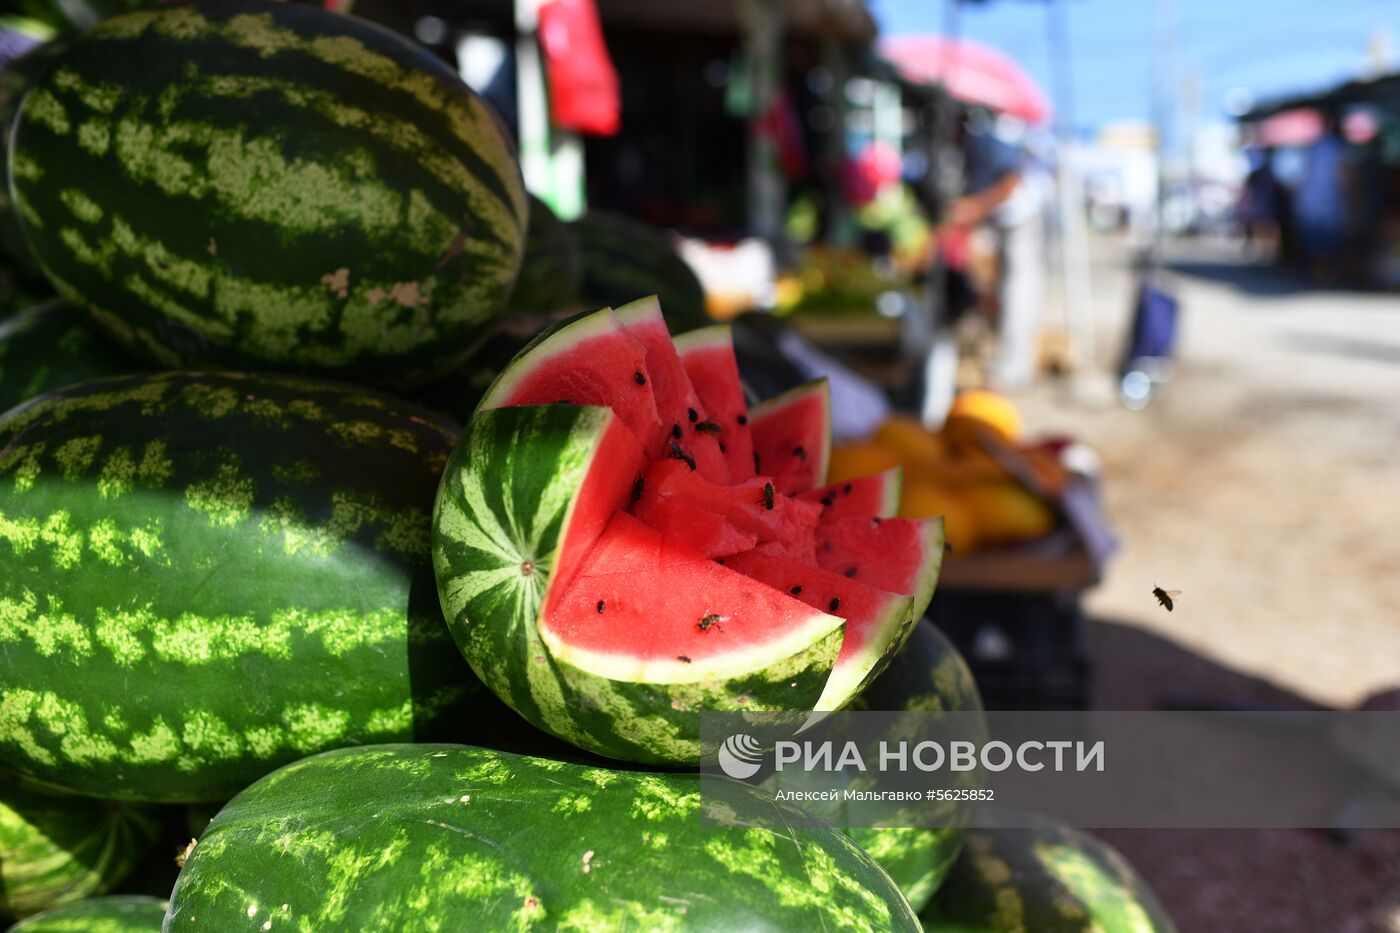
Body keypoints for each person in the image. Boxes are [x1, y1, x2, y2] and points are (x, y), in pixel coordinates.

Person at [918, 114, 1025, 425]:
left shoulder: (988, 145)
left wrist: (975, 208)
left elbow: (1011, 182)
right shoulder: (959, 154)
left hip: (1010, 226)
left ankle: (1000, 374)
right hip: (983, 237)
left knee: (1007, 302)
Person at [1292, 110, 1352, 285]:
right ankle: (1324, 276)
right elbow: (1345, 176)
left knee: (1318, 242)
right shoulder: (1336, 147)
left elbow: (1300, 176)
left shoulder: (1313, 148)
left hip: (1312, 203)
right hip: (1328, 203)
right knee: (1327, 243)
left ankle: (1320, 275)